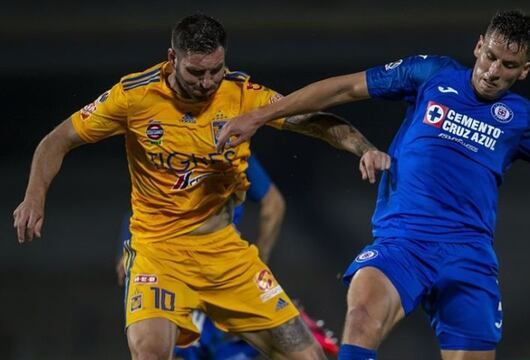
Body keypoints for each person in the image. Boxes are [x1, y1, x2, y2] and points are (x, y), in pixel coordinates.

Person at [215, 9, 530, 360]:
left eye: (508, 65)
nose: (493, 71)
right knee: (361, 317)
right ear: (478, 46)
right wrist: (261, 115)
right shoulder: (432, 74)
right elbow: (344, 88)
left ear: (524, 71)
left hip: (468, 255)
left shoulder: (524, 119)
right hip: (403, 243)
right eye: (489, 56)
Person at [13, 14, 387, 360]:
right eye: (196, 72)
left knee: (309, 357)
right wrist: (34, 197)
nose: (208, 83)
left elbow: (314, 120)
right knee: (151, 352)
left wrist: (364, 148)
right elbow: (57, 139)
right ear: (172, 57)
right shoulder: (133, 96)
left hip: (226, 255)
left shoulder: (242, 95)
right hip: (159, 253)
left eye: (216, 70)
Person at [115, 155, 339, 359]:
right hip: (182, 265)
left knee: (184, 351)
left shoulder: (228, 147)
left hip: (212, 264)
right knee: (187, 350)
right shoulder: (176, 142)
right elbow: (273, 204)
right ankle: (284, 328)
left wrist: (256, 268)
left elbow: (273, 203)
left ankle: (289, 326)